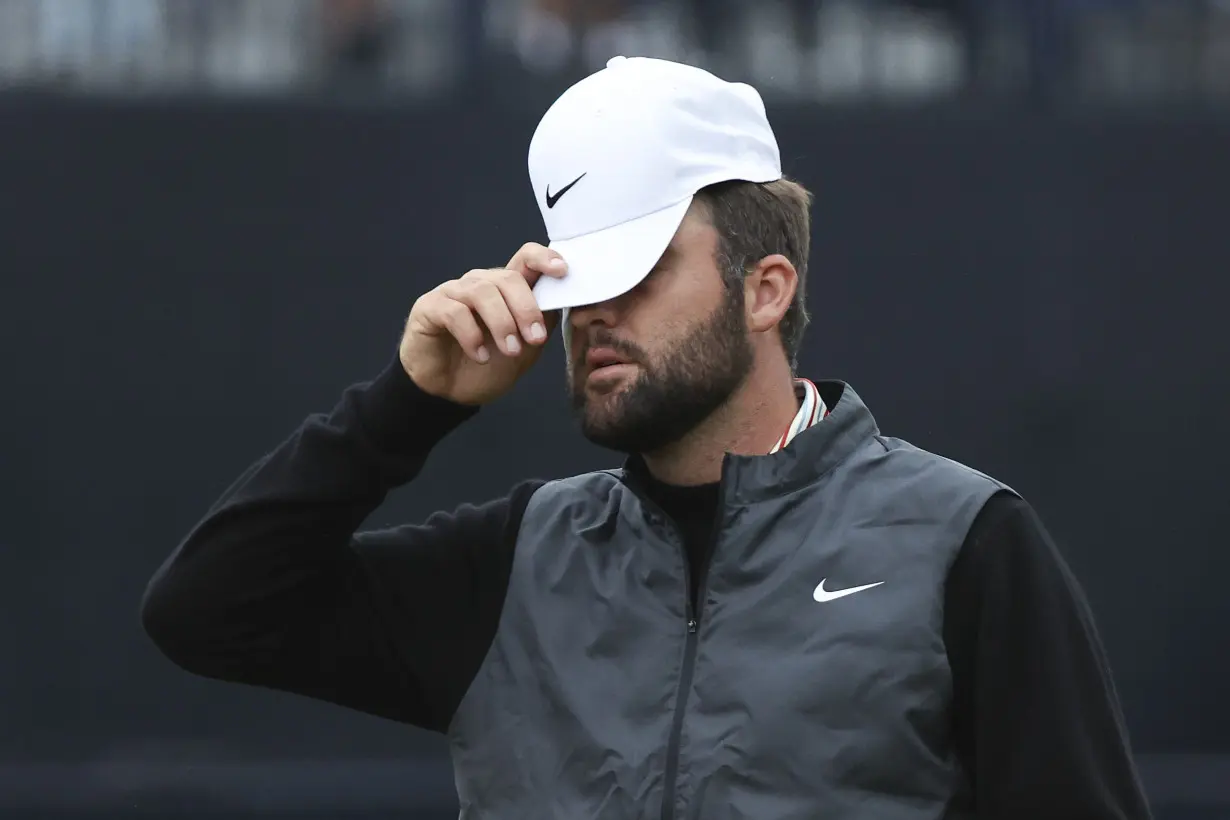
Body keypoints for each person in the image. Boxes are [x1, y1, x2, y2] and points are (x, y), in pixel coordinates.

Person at [141, 56, 1152, 819]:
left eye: (639, 271)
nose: (593, 315)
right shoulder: (519, 562)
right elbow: (208, 611)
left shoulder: (961, 540)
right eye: (579, 281)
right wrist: (411, 400)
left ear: (766, 289)